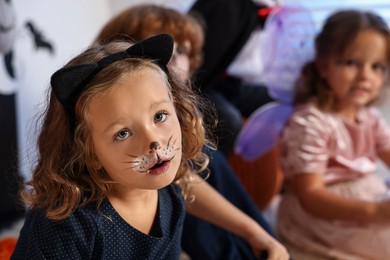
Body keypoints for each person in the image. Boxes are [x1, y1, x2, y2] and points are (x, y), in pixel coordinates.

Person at [11, 34, 289, 259]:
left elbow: (188, 183)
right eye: (122, 133)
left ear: (178, 110)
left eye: (159, 116)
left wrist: (253, 232)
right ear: (89, 153)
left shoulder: (166, 188)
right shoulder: (69, 226)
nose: (153, 141)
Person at [94, 4, 283, 259]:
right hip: (127, 209)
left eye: (181, 50)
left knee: (200, 154)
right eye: (161, 47)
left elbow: (184, 179)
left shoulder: (184, 117)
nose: (172, 57)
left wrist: (255, 231)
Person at [277, 9, 390, 259]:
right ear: (323, 65)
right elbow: (311, 196)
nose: (365, 76)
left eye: (377, 67)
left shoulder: (369, 116)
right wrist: (376, 212)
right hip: (324, 213)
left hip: (367, 195)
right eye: (351, 63)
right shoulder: (310, 123)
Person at [189, 0, 274, 157]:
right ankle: (212, 170)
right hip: (205, 85)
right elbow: (201, 70)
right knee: (229, 121)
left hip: (233, 85)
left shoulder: (267, 10)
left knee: (282, 98)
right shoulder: (226, 8)